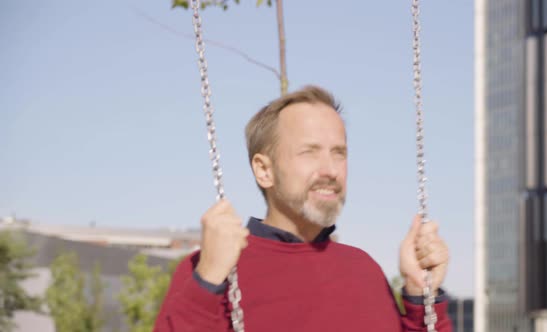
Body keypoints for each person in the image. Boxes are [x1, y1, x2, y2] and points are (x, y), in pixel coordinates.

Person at [155, 86, 452, 332]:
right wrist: (207, 279)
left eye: (339, 153)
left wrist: (419, 292)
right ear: (264, 170)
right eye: (309, 152)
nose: (330, 170)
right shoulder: (211, 270)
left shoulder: (364, 271)